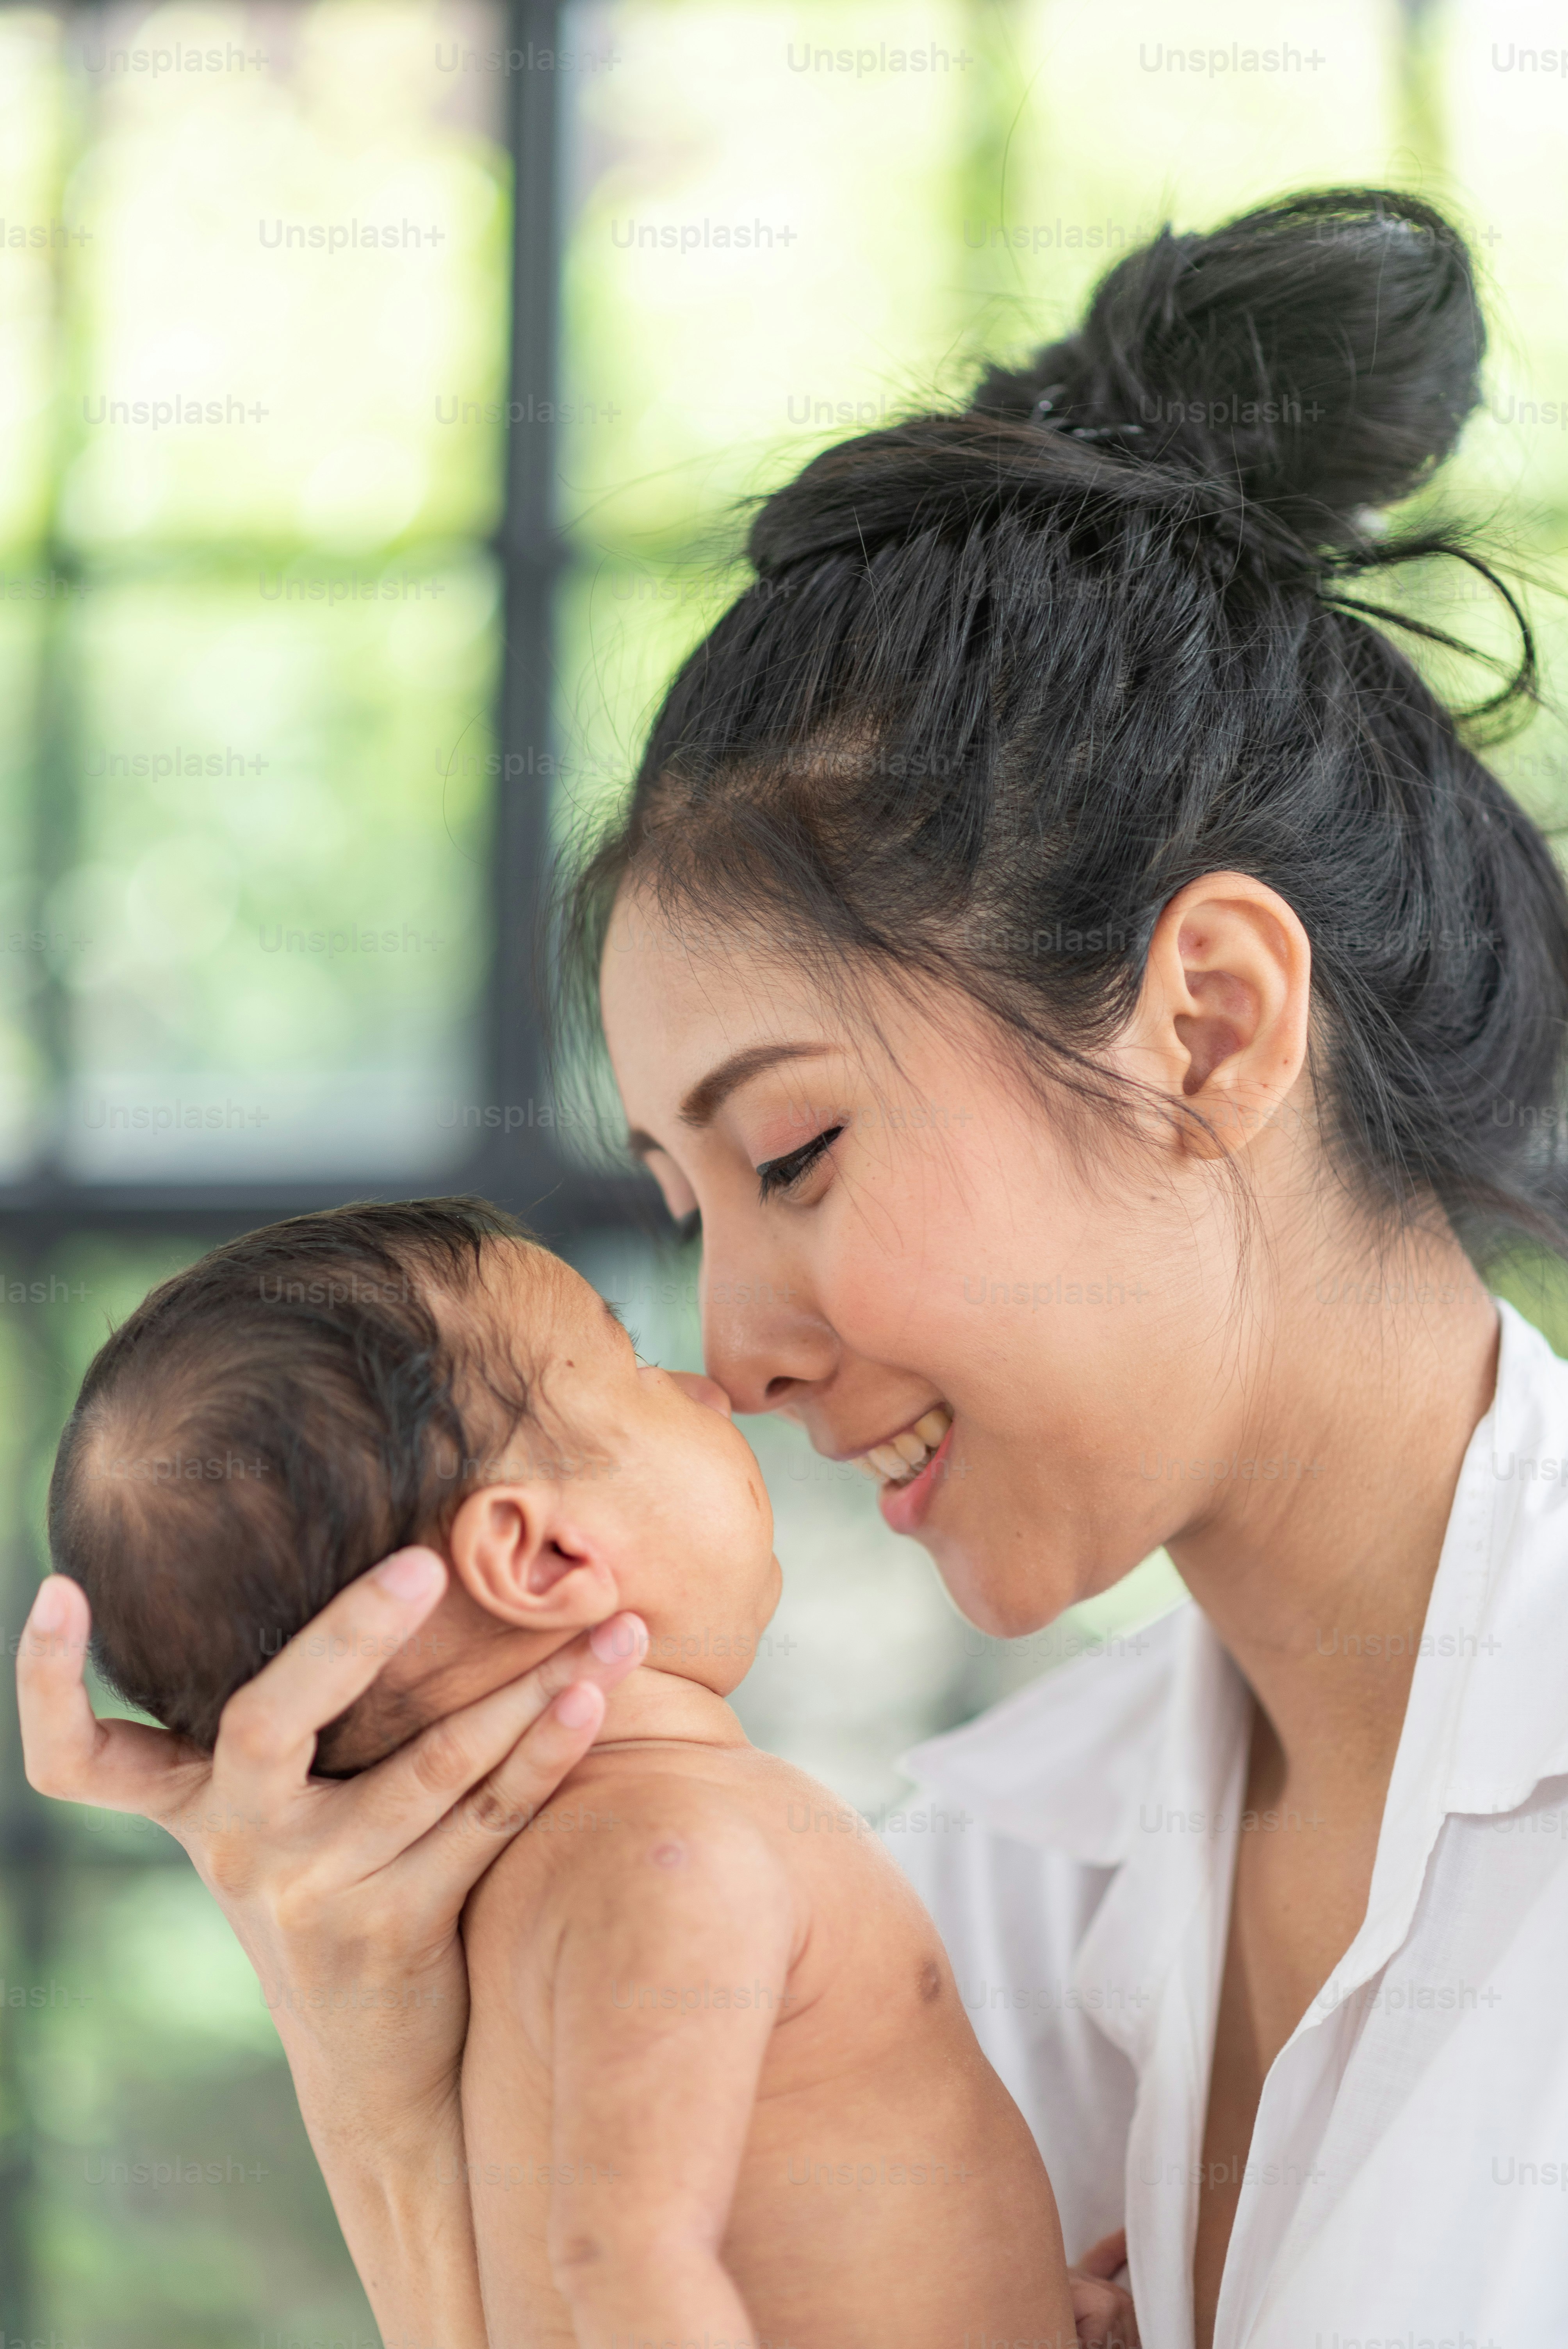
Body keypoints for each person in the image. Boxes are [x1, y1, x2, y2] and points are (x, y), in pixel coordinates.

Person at [19, 182, 1568, 2346]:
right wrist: (377, 2073)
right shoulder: (987, 1891)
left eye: (797, 1150)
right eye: (686, 1205)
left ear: (1211, 1022)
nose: (733, 1354)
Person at [46, 1196, 1080, 2347]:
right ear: (542, 1557)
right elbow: (624, 2266)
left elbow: (785, 2228)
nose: (709, 1387)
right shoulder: (673, 1856)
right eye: (635, 1360)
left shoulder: (516, 1908)